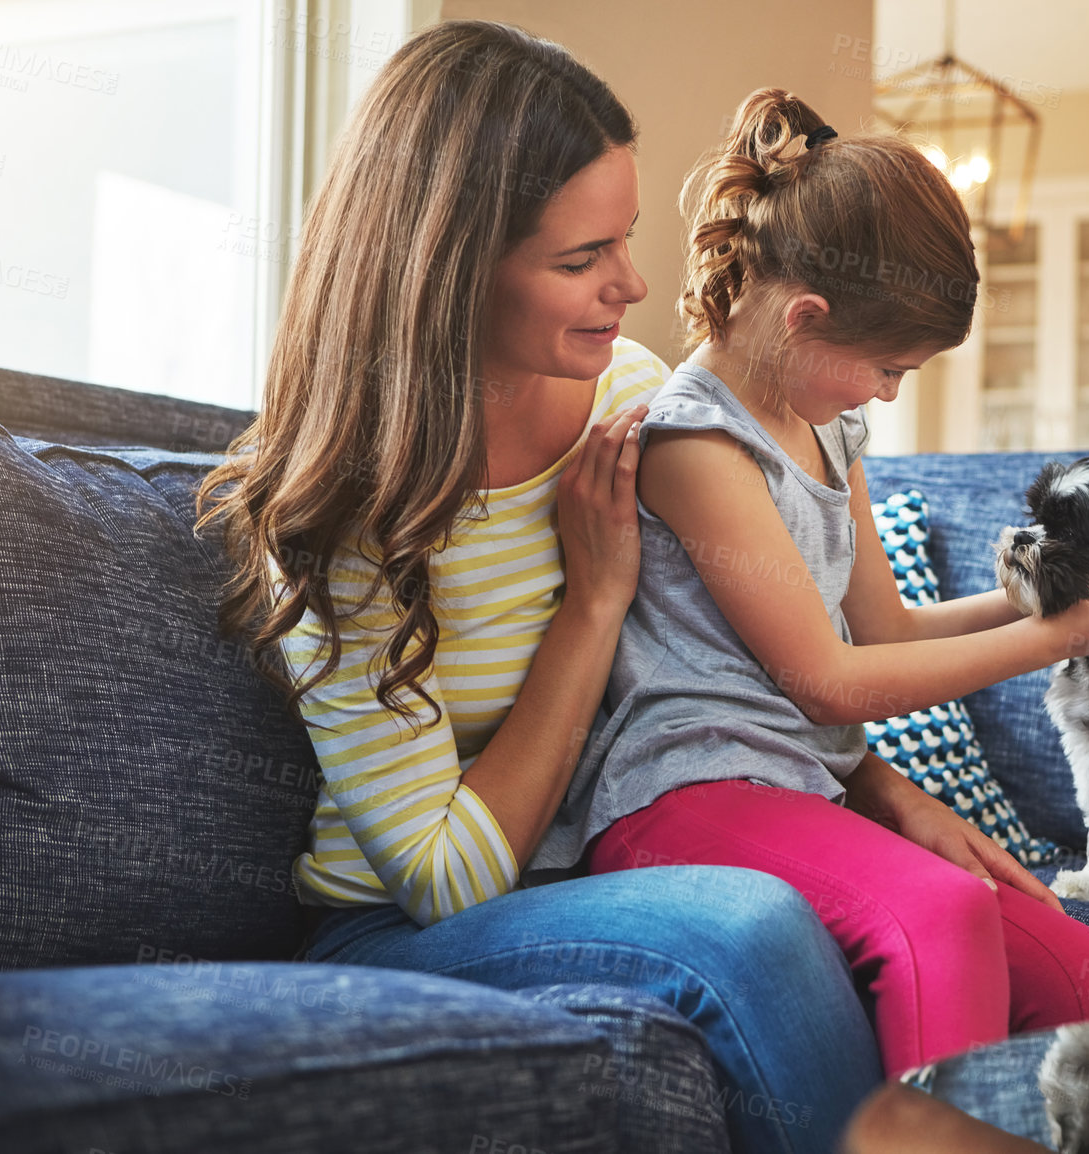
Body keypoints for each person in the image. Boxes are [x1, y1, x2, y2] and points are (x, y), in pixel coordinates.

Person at [194, 22, 884, 1153]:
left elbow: (750, 659)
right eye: (580, 259)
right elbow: (446, 883)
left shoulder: (632, 390)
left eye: (621, 237)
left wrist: (890, 803)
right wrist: (592, 604)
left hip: (612, 850)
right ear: (448, 272)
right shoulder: (333, 514)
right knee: (750, 927)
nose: (634, 282)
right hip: (397, 929)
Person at [527, 88, 1089, 1081]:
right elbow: (829, 684)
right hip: (679, 794)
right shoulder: (697, 441)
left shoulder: (831, 426)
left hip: (795, 789)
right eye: (886, 366)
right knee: (940, 910)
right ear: (803, 318)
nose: (887, 392)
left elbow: (887, 631)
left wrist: (1041, 596)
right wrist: (1064, 637)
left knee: (1083, 971)